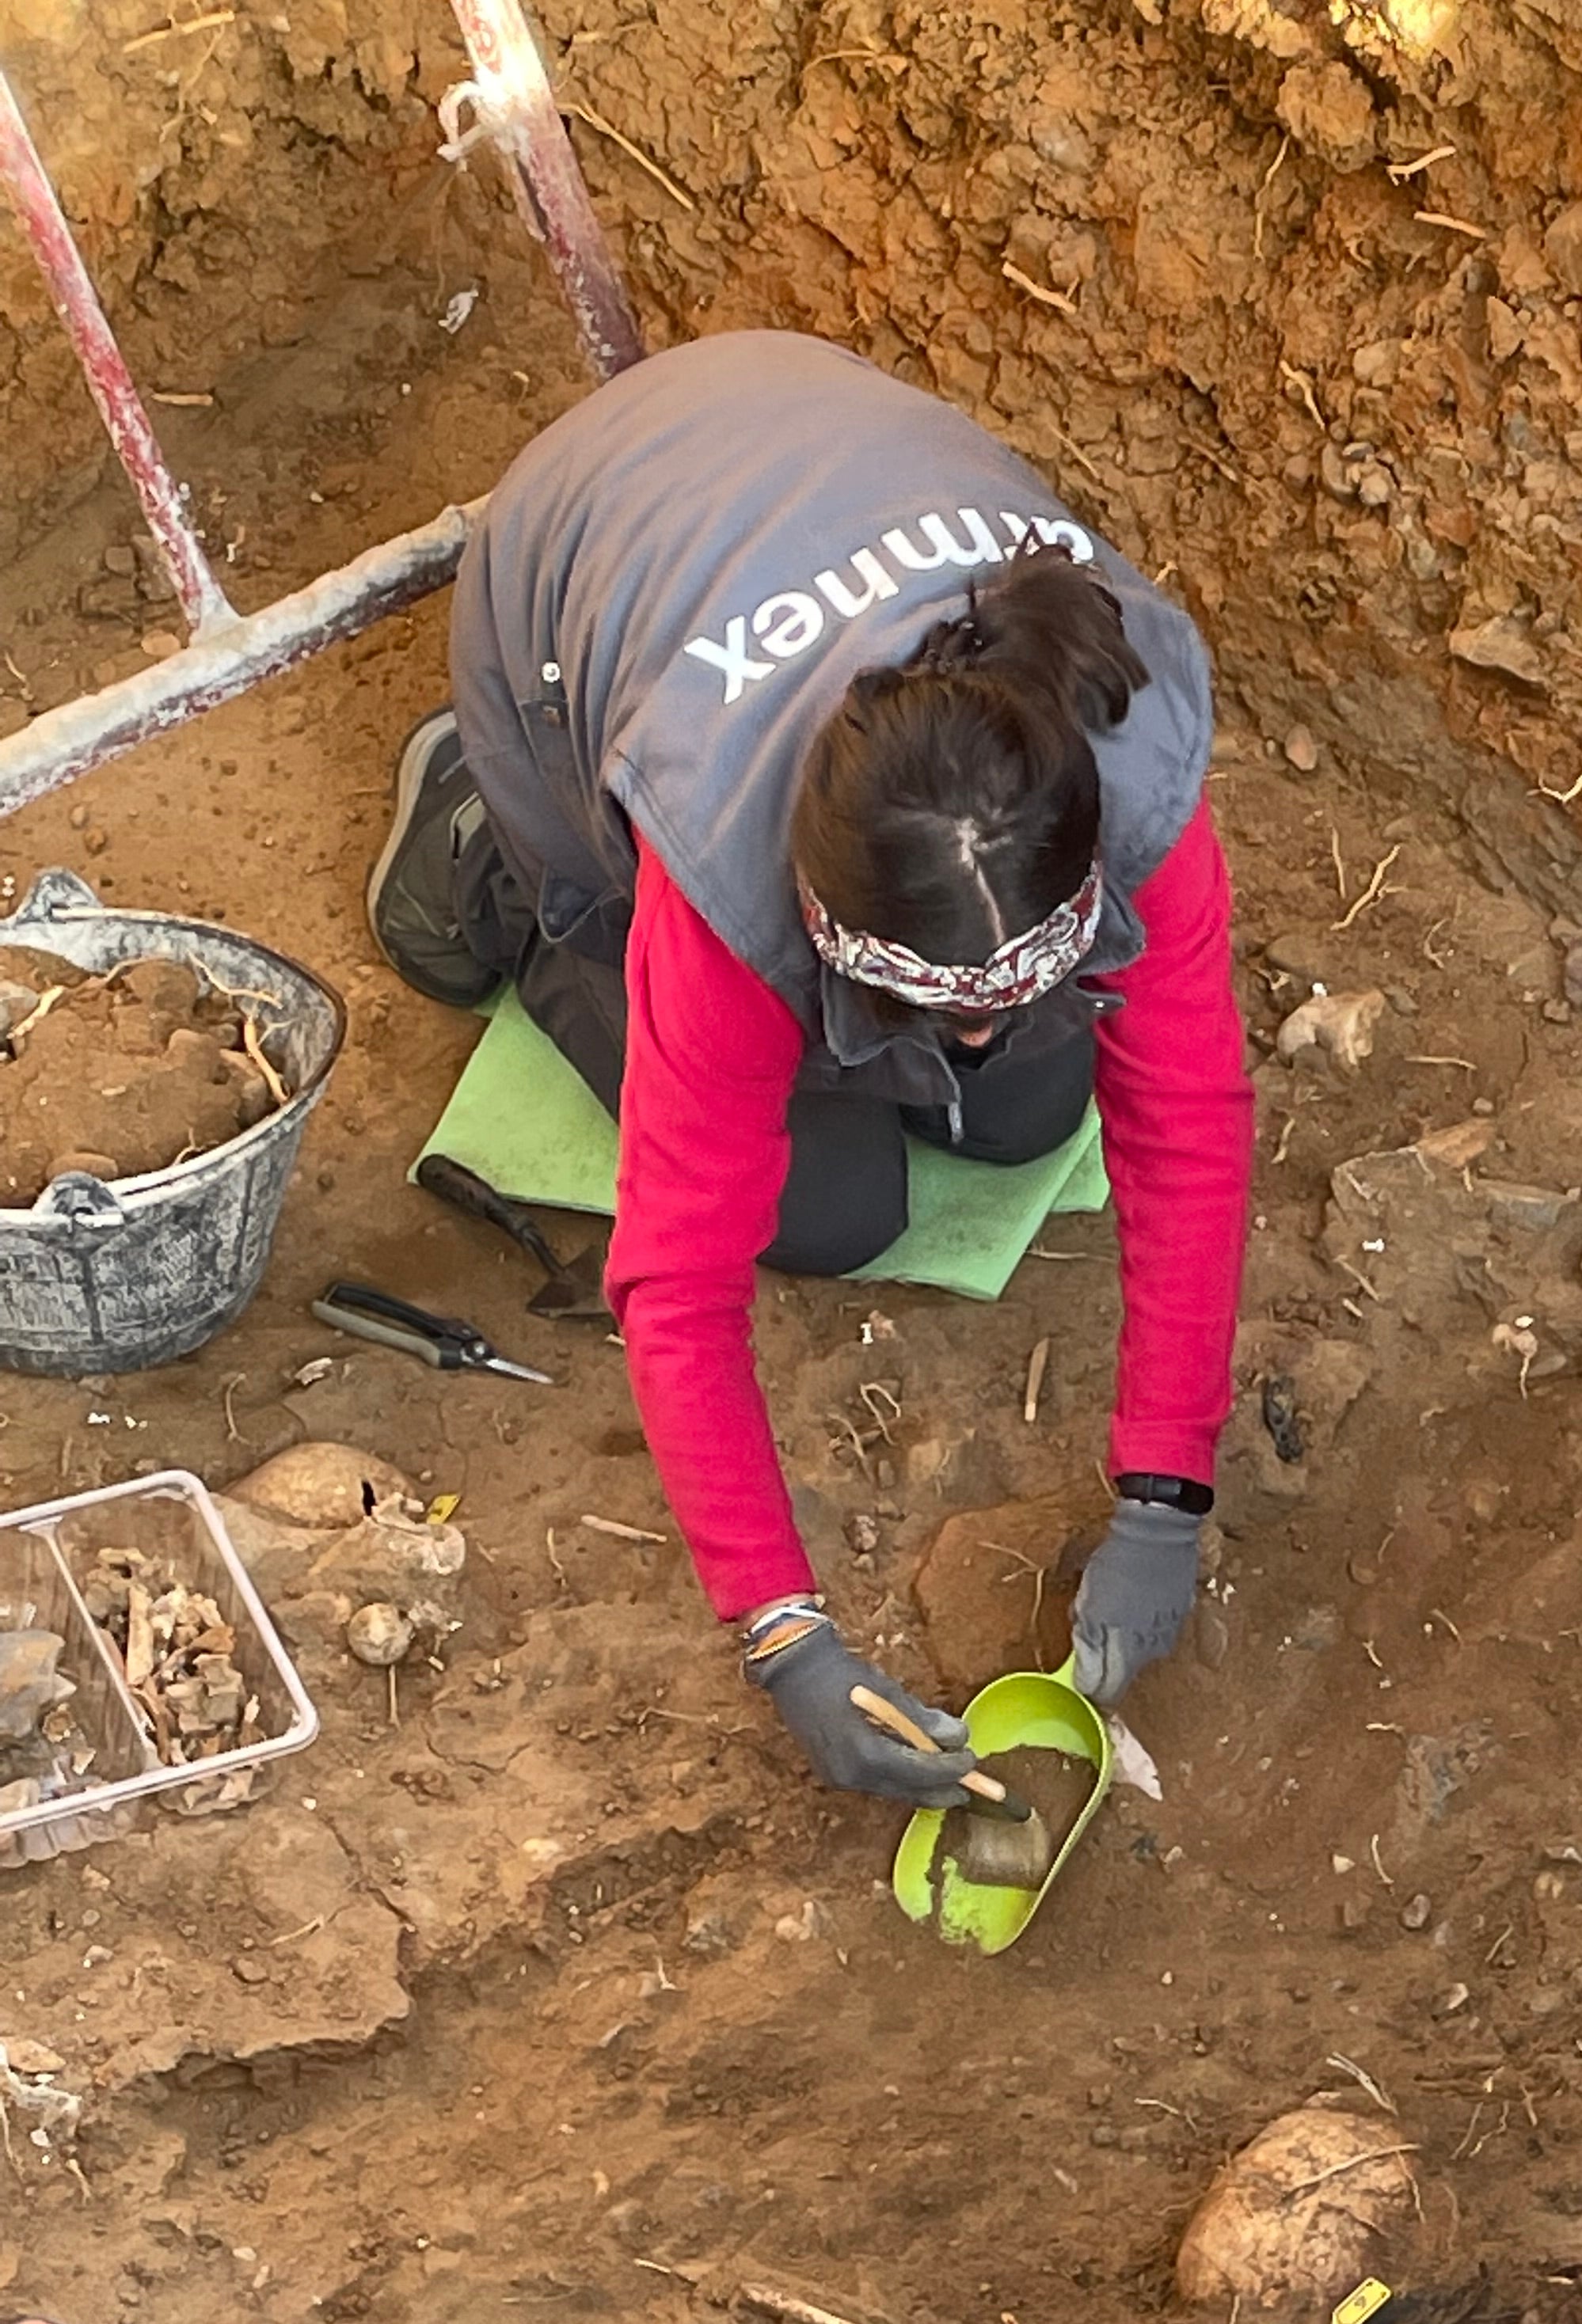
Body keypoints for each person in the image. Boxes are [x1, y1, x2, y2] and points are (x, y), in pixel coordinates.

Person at [367, 332, 1253, 1811]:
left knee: (1030, 1103)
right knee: (824, 1205)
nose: (978, 1025)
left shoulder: (1117, 760)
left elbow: (1189, 1121)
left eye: (1012, 985)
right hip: (563, 586)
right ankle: (474, 847)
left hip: (795, 448)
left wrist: (1169, 1485)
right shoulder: (726, 864)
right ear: (820, 924)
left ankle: (942, 1015)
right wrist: (783, 1631)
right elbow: (677, 1271)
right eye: (923, 1000)